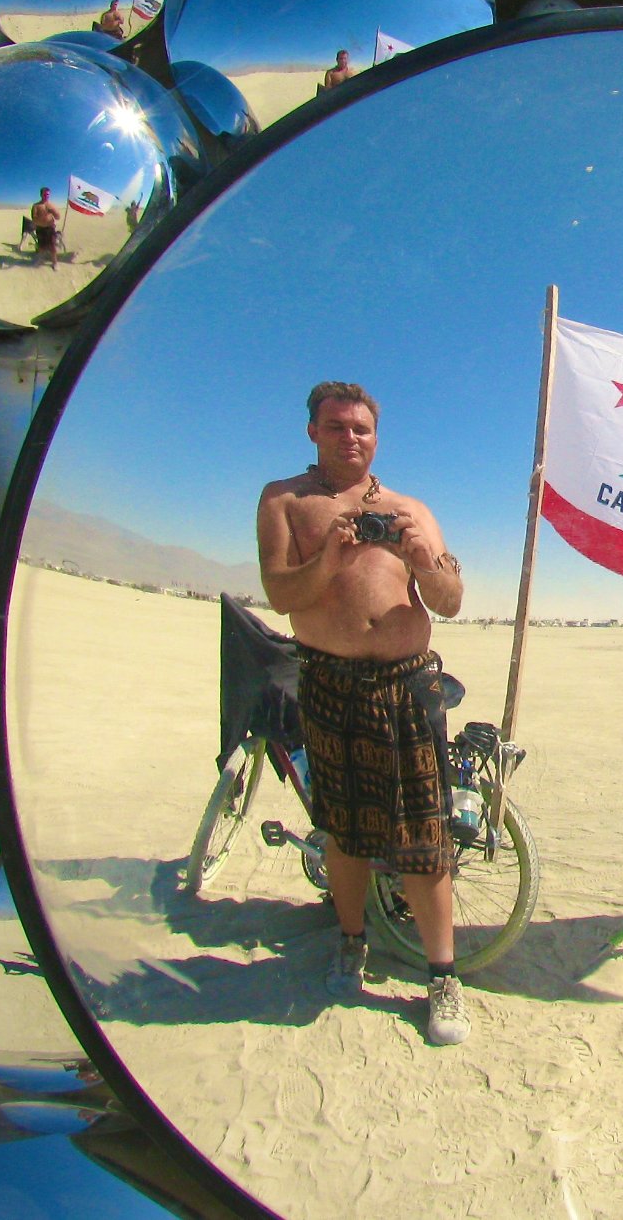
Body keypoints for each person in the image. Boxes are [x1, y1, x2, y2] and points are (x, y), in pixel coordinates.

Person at [256, 382, 473, 1045]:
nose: (350, 437)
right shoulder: (285, 501)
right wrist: (329, 557)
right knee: (343, 830)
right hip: (331, 685)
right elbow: (279, 592)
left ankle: (442, 977)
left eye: (361, 429)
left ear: (376, 438)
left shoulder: (410, 509)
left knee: (425, 836)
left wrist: (424, 562)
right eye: (336, 426)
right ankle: (353, 942)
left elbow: (451, 599)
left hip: (407, 688)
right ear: (313, 432)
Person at [28, 186, 62, 268]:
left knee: (52, 247)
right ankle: (40, 260)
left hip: (50, 229)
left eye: (48, 194)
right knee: (41, 247)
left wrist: (53, 211)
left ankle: (55, 263)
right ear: (41, 195)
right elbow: (34, 219)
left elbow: (58, 217)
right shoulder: (36, 206)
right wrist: (44, 215)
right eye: (45, 194)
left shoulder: (52, 205)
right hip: (40, 229)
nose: (47, 196)